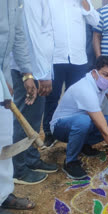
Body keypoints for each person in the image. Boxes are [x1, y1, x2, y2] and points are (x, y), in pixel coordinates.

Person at [50, 56, 108, 180]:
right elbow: (104, 131)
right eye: (105, 75)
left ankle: (84, 144)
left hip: (83, 122)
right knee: (84, 122)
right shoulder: (85, 89)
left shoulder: (107, 83)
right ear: (94, 72)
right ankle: (71, 162)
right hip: (61, 126)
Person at [10, 0, 58, 185]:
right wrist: (41, 74)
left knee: (33, 118)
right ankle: (18, 169)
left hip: (38, 68)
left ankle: (30, 159)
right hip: (29, 70)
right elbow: (32, 37)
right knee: (23, 119)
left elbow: (46, 36)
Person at [43, 0, 100, 148]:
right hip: (55, 57)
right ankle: (49, 133)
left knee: (78, 99)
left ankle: (76, 133)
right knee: (52, 97)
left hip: (78, 59)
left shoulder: (81, 2)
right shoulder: (48, 2)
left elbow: (95, 20)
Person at [0, 0, 35, 212]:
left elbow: (18, 35)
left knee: (4, 139)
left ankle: (3, 194)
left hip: (3, 77)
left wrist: (26, 73)